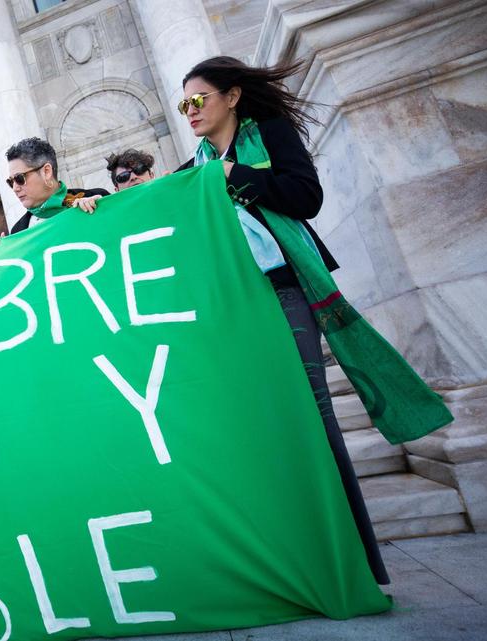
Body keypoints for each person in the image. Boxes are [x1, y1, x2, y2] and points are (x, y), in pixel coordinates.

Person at [176, 55, 387, 585]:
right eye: (183, 104)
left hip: (286, 288)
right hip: (235, 302)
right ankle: (301, 548)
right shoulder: (194, 164)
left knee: (313, 412)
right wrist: (92, 203)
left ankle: (357, 559)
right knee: (260, 417)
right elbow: (155, 204)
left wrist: (234, 175)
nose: (190, 111)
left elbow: (305, 198)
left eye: (198, 100)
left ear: (232, 96)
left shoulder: (268, 134)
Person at [4, 137, 109, 233]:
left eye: (19, 178)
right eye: (11, 182)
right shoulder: (17, 232)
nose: (15, 188)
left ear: (46, 172)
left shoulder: (97, 198)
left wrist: (102, 209)